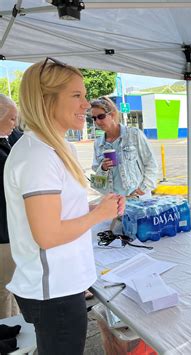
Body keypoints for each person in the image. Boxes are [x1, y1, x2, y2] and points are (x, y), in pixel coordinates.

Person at [4, 58, 125, 354]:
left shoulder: (54, 148)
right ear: (47, 100)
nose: (86, 104)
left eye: (84, 95)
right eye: (76, 95)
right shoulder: (38, 155)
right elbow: (47, 235)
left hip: (61, 285)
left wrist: (95, 206)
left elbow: (59, 212)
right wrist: (99, 214)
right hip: (53, 292)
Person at [91, 96, 158, 198]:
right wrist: (103, 168)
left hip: (137, 200)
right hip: (113, 202)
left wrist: (144, 188)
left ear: (112, 115)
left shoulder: (134, 134)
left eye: (101, 116)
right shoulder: (98, 143)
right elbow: (97, 176)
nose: (97, 122)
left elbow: (151, 163)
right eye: (94, 118)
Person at [0, 94, 20, 318]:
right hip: (2, 234)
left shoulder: (8, 139)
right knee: (4, 292)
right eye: (12, 119)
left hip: (8, 231)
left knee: (10, 289)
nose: (15, 124)